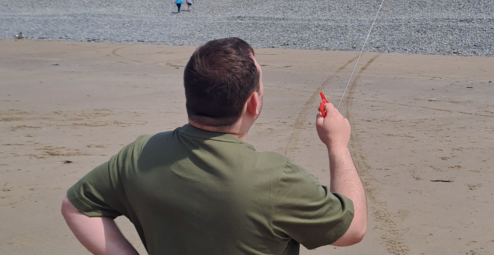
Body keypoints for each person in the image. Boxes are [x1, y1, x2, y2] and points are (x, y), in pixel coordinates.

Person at [61, 37, 367, 255]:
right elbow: (351, 229)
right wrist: (337, 144)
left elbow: (75, 207)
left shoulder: (140, 154)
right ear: (254, 103)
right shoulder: (276, 178)